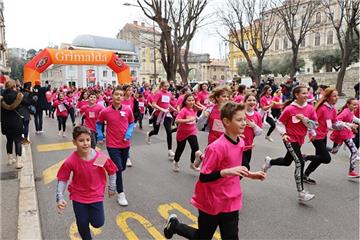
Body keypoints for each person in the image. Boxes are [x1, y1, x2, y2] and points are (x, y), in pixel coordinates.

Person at [163, 102, 266, 240]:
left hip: (231, 200)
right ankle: (174, 225)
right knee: (203, 237)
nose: (244, 123)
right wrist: (226, 172)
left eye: (245, 120)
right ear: (226, 121)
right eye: (239, 120)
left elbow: (236, 165)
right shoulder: (216, 148)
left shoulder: (240, 142)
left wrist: (251, 175)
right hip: (211, 201)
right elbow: (204, 176)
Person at [56, 126, 118, 240]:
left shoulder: (99, 158)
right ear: (74, 142)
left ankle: (88, 216)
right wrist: (60, 197)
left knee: (98, 223)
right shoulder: (71, 160)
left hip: (96, 195)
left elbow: (112, 171)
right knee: (82, 224)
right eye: (81, 140)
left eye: (88, 140)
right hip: (78, 197)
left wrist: (112, 187)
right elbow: (62, 178)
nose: (85, 143)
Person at [262, 85, 318, 202]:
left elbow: (315, 125)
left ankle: (270, 162)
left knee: (287, 162)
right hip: (289, 139)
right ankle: (301, 193)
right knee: (300, 162)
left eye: (307, 93)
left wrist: (304, 120)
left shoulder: (310, 108)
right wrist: (284, 134)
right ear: (296, 95)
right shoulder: (290, 109)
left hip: (300, 139)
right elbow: (279, 123)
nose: (306, 95)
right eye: (303, 93)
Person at [98, 85, 135, 206]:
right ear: (112, 96)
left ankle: (112, 171)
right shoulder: (105, 111)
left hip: (125, 144)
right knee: (118, 169)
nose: (118, 96)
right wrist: (100, 134)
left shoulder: (128, 109)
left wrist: (129, 132)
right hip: (112, 144)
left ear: (123, 97)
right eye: (116, 94)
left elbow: (131, 122)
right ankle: (121, 193)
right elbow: (99, 123)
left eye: (121, 95)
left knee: (122, 167)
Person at [302, 88, 349, 184]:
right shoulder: (322, 108)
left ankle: (305, 175)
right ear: (327, 98)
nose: (337, 98)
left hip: (323, 136)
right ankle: (305, 157)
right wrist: (312, 133)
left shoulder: (332, 109)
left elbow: (334, 124)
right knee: (326, 158)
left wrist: (347, 125)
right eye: (334, 96)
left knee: (319, 158)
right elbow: (311, 122)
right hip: (316, 137)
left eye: (337, 96)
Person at [146, 81, 177, 159]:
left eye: (167, 86)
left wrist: (174, 109)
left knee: (169, 131)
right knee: (156, 131)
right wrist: (162, 109)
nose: (166, 88)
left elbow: (167, 103)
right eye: (165, 86)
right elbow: (153, 104)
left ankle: (170, 150)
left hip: (166, 115)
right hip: (158, 114)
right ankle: (149, 134)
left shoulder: (169, 94)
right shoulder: (158, 93)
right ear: (161, 86)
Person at [329, 98, 360, 178]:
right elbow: (336, 121)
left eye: (357, 105)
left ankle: (351, 172)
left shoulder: (350, 111)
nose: (356, 106)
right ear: (348, 104)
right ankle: (352, 171)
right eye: (354, 104)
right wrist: (348, 125)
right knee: (352, 151)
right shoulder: (345, 112)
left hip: (346, 134)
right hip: (341, 134)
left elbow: (354, 118)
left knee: (352, 151)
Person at [173, 94, 202, 172]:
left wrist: (198, 106)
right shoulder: (184, 110)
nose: (191, 102)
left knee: (195, 148)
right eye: (189, 100)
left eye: (193, 100)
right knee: (180, 149)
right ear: (185, 102)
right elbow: (177, 120)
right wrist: (187, 120)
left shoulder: (195, 109)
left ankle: (192, 164)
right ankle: (176, 162)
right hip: (182, 132)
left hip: (192, 131)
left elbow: (202, 109)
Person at [1, 80, 26, 168]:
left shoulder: (2, 97)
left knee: (9, 140)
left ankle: (10, 159)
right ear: (13, 86)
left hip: (5, 122)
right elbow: (27, 103)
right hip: (16, 121)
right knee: (18, 141)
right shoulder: (18, 95)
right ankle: (18, 162)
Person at [242, 93, 263, 171]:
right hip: (237, 145)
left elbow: (259, 132)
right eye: (249, 100)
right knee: (245, 168)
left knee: (244, 169)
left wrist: (253, 125)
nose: (252, 102)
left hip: (248, 146)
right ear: (244, 102)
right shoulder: (240, 113)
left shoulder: (257, 115)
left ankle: (230, 182)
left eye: (254, 100)